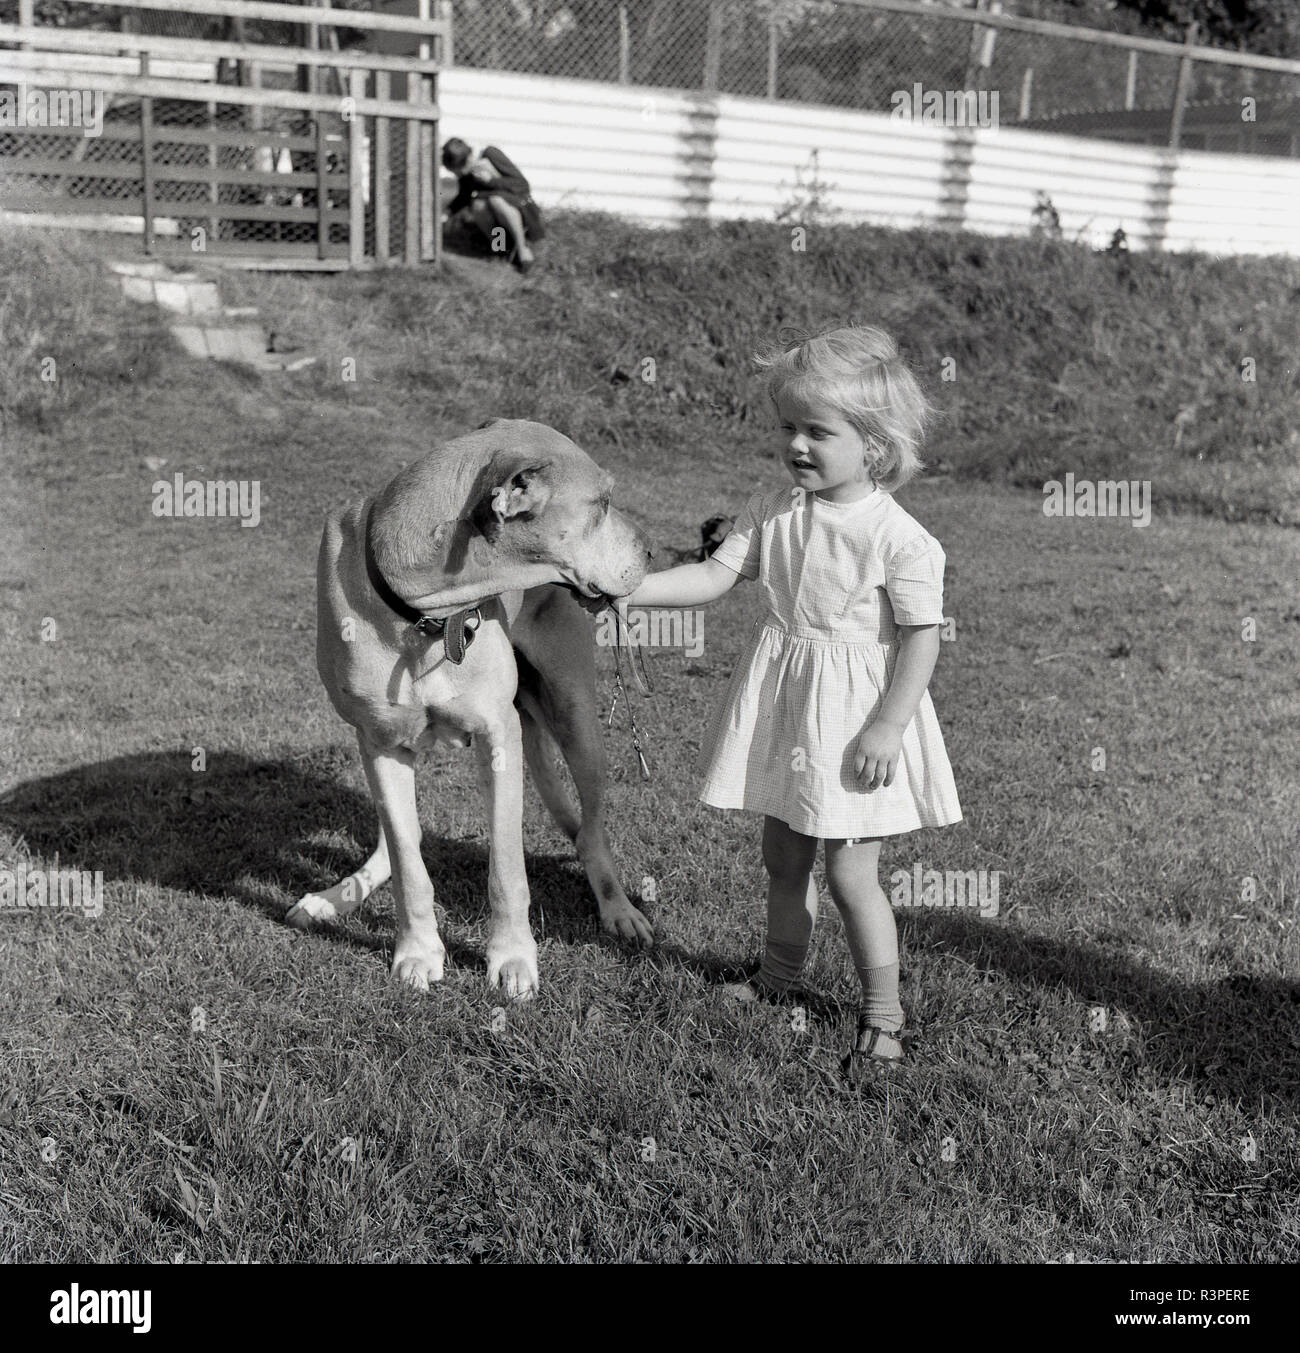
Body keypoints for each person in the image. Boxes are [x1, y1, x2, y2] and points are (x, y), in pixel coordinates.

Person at [621, 325, 962, 1075]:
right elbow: (713, 578)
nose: (797, 445)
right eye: (788, 428)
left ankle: (884, 1014)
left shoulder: (900, 539)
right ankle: (779, 976)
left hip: (856, 722)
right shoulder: (772, 507)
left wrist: (888, 726)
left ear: (873, 445)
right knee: (782, 853)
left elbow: (923, 639)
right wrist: (629, 590)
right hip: (789, 705)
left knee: (849, 872)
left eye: (818, 431)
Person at [440, 137, 545, 273]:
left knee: (496, 200)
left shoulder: (490, 154)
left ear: (466, 160)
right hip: (497, 213)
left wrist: (491, 181)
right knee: (478, 205)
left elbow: (522, 184)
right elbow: (465, 195)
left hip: (521, 207)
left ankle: (523, 250)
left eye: (457, 170)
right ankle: (502, 248)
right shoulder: (469, 172)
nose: (458, 174)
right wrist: (448, 212)